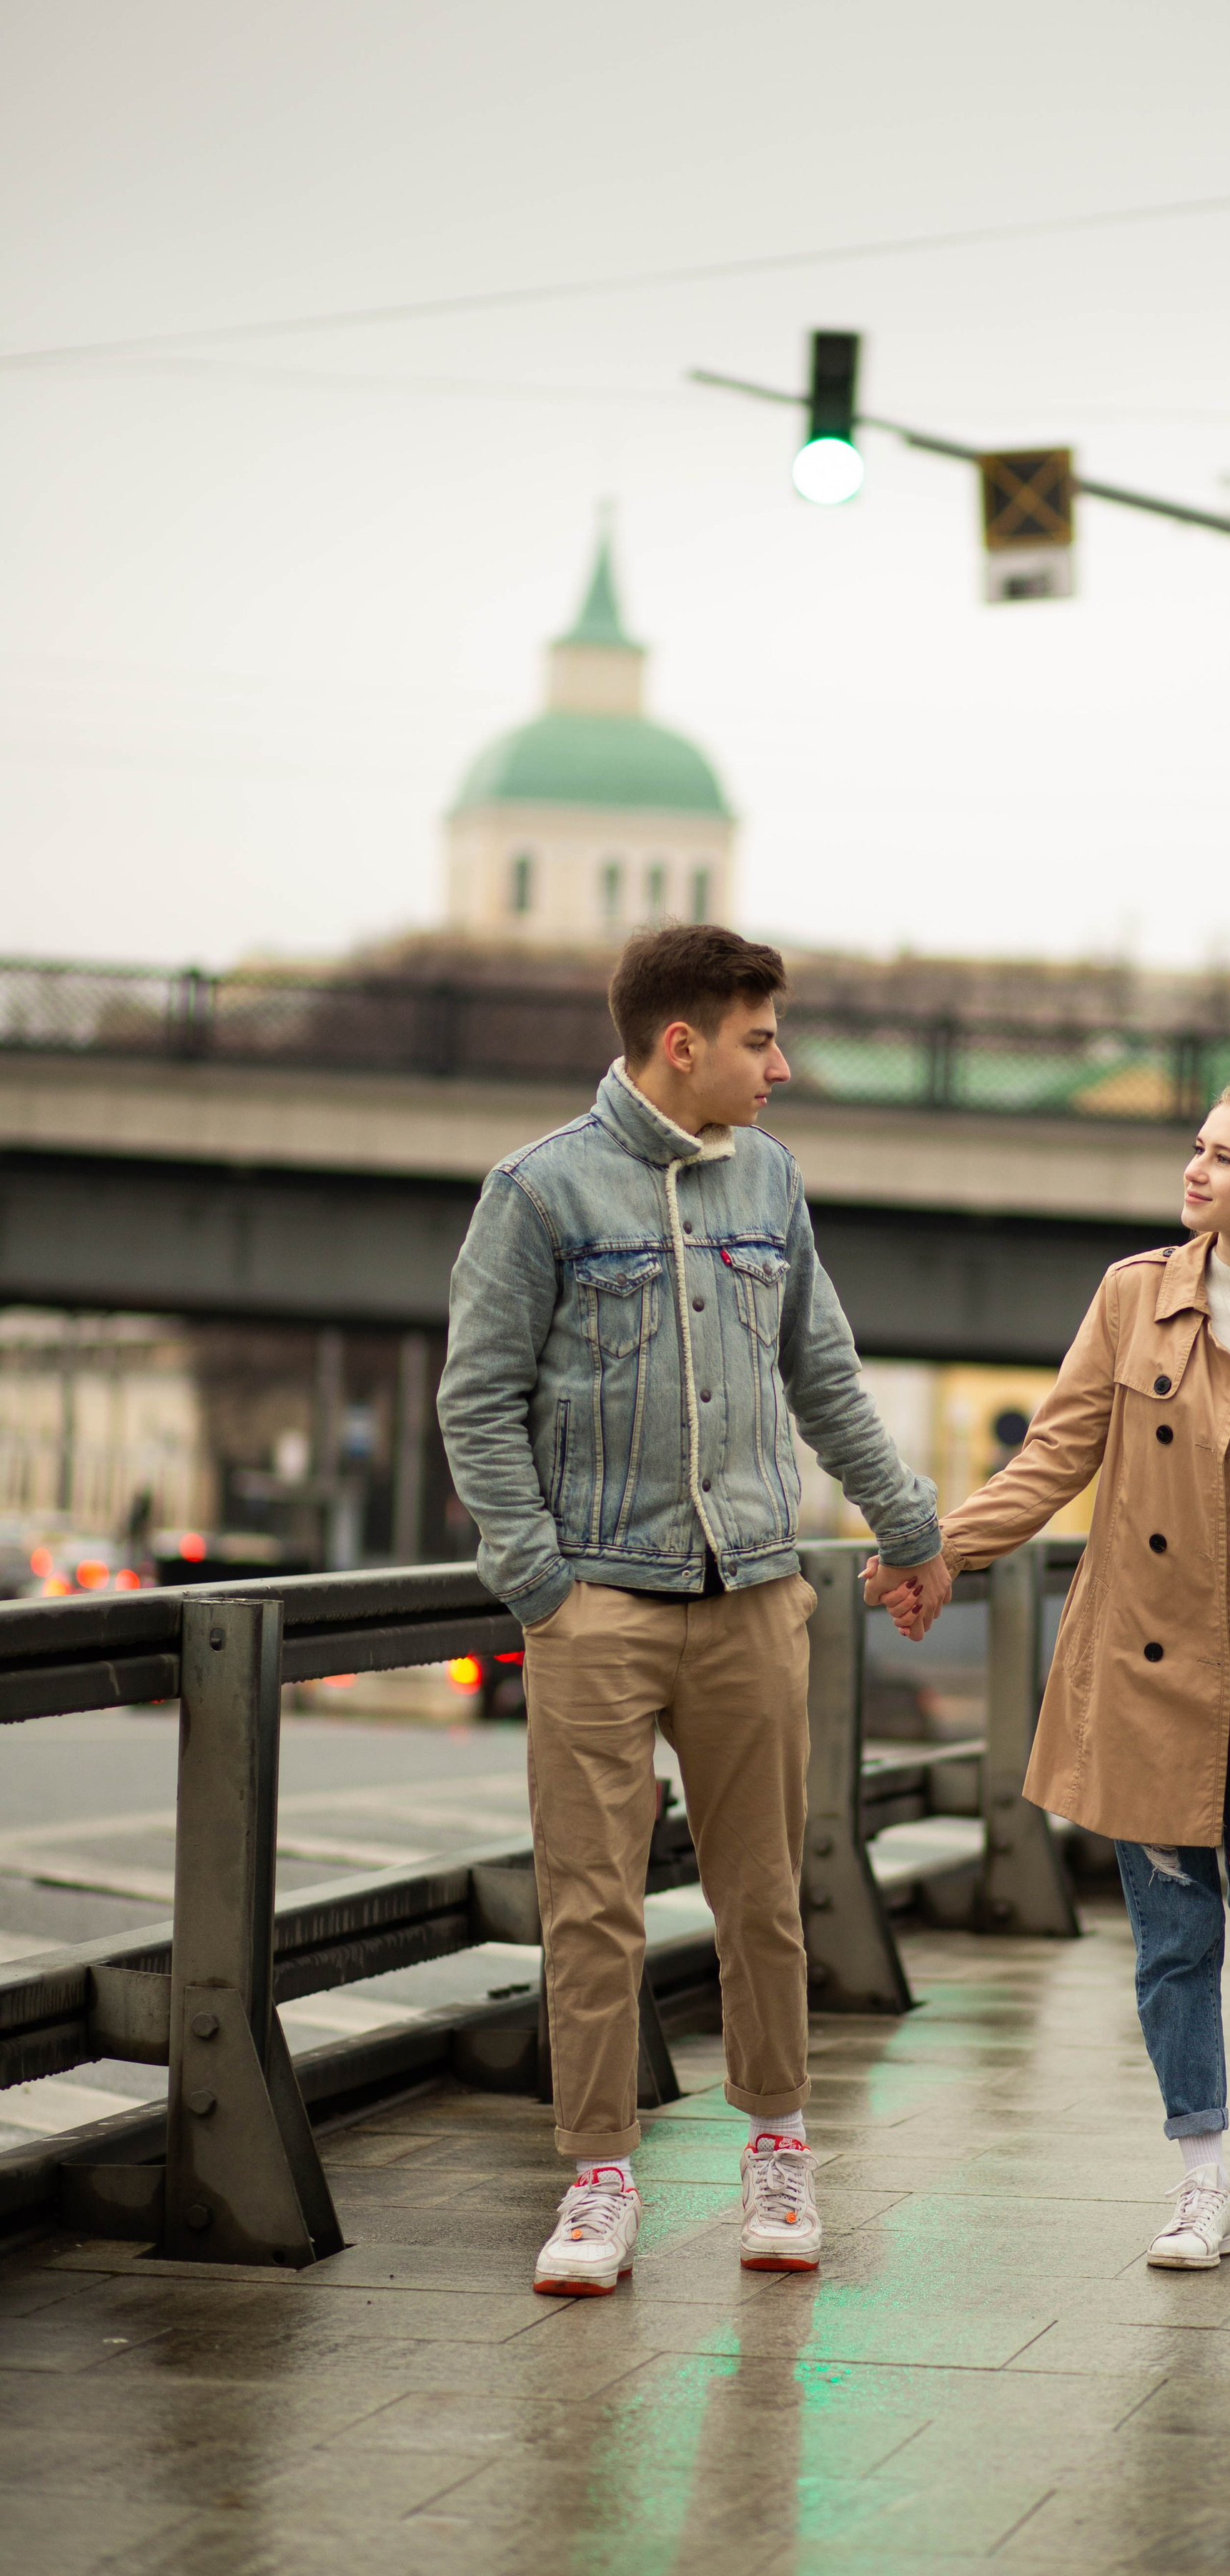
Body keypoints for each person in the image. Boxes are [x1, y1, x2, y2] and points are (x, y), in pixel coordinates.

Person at [438, 925, 950, 2296]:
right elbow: (474, 1401)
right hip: (597, 1602)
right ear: (684, 1044)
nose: (779, 1065)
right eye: (761, 1038)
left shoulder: (772, 1180)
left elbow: (824, 1375)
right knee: (591, 1905)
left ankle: (779, 2153)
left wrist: (912, 1529)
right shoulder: (539, 1194)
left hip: (752, 1597)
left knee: (763, 1896)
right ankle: (598, 2179)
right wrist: (543, 1586)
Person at [873, 1078, 1230, 2268]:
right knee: (1171, 1941)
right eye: (1196, 1148)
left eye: (1222, 1156)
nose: (1196, 1170)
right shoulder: (1133, 1298)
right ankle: (1198, 2174)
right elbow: (1053, 1456)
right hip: (1147, 1672)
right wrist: (940, 1546)